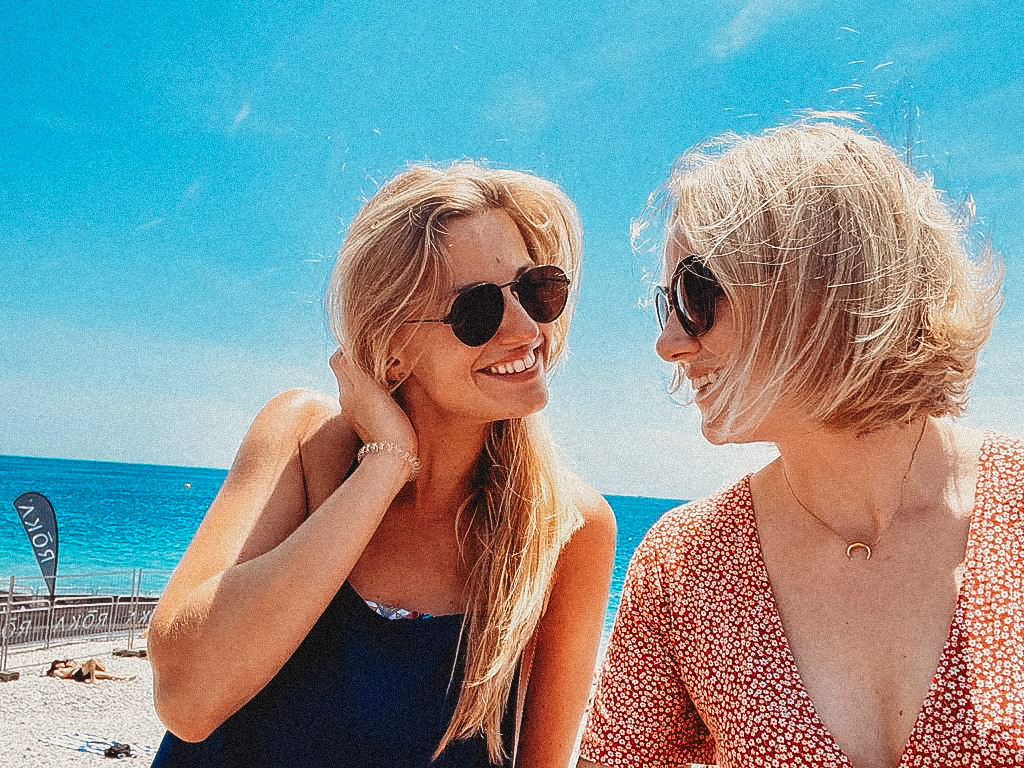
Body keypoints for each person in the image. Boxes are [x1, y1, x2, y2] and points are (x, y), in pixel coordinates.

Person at [579, 117, 1023, 767]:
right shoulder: (682, 569)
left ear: (827, 285)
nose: (668, 342)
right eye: (665, 304)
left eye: (696, 293)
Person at [148, 163, 616, 768]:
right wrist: (385, 464)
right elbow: (186, 700)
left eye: (535, 289)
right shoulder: (304, 443)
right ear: (393, 350)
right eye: (477, 310)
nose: (527, 329)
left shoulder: (567, 529)